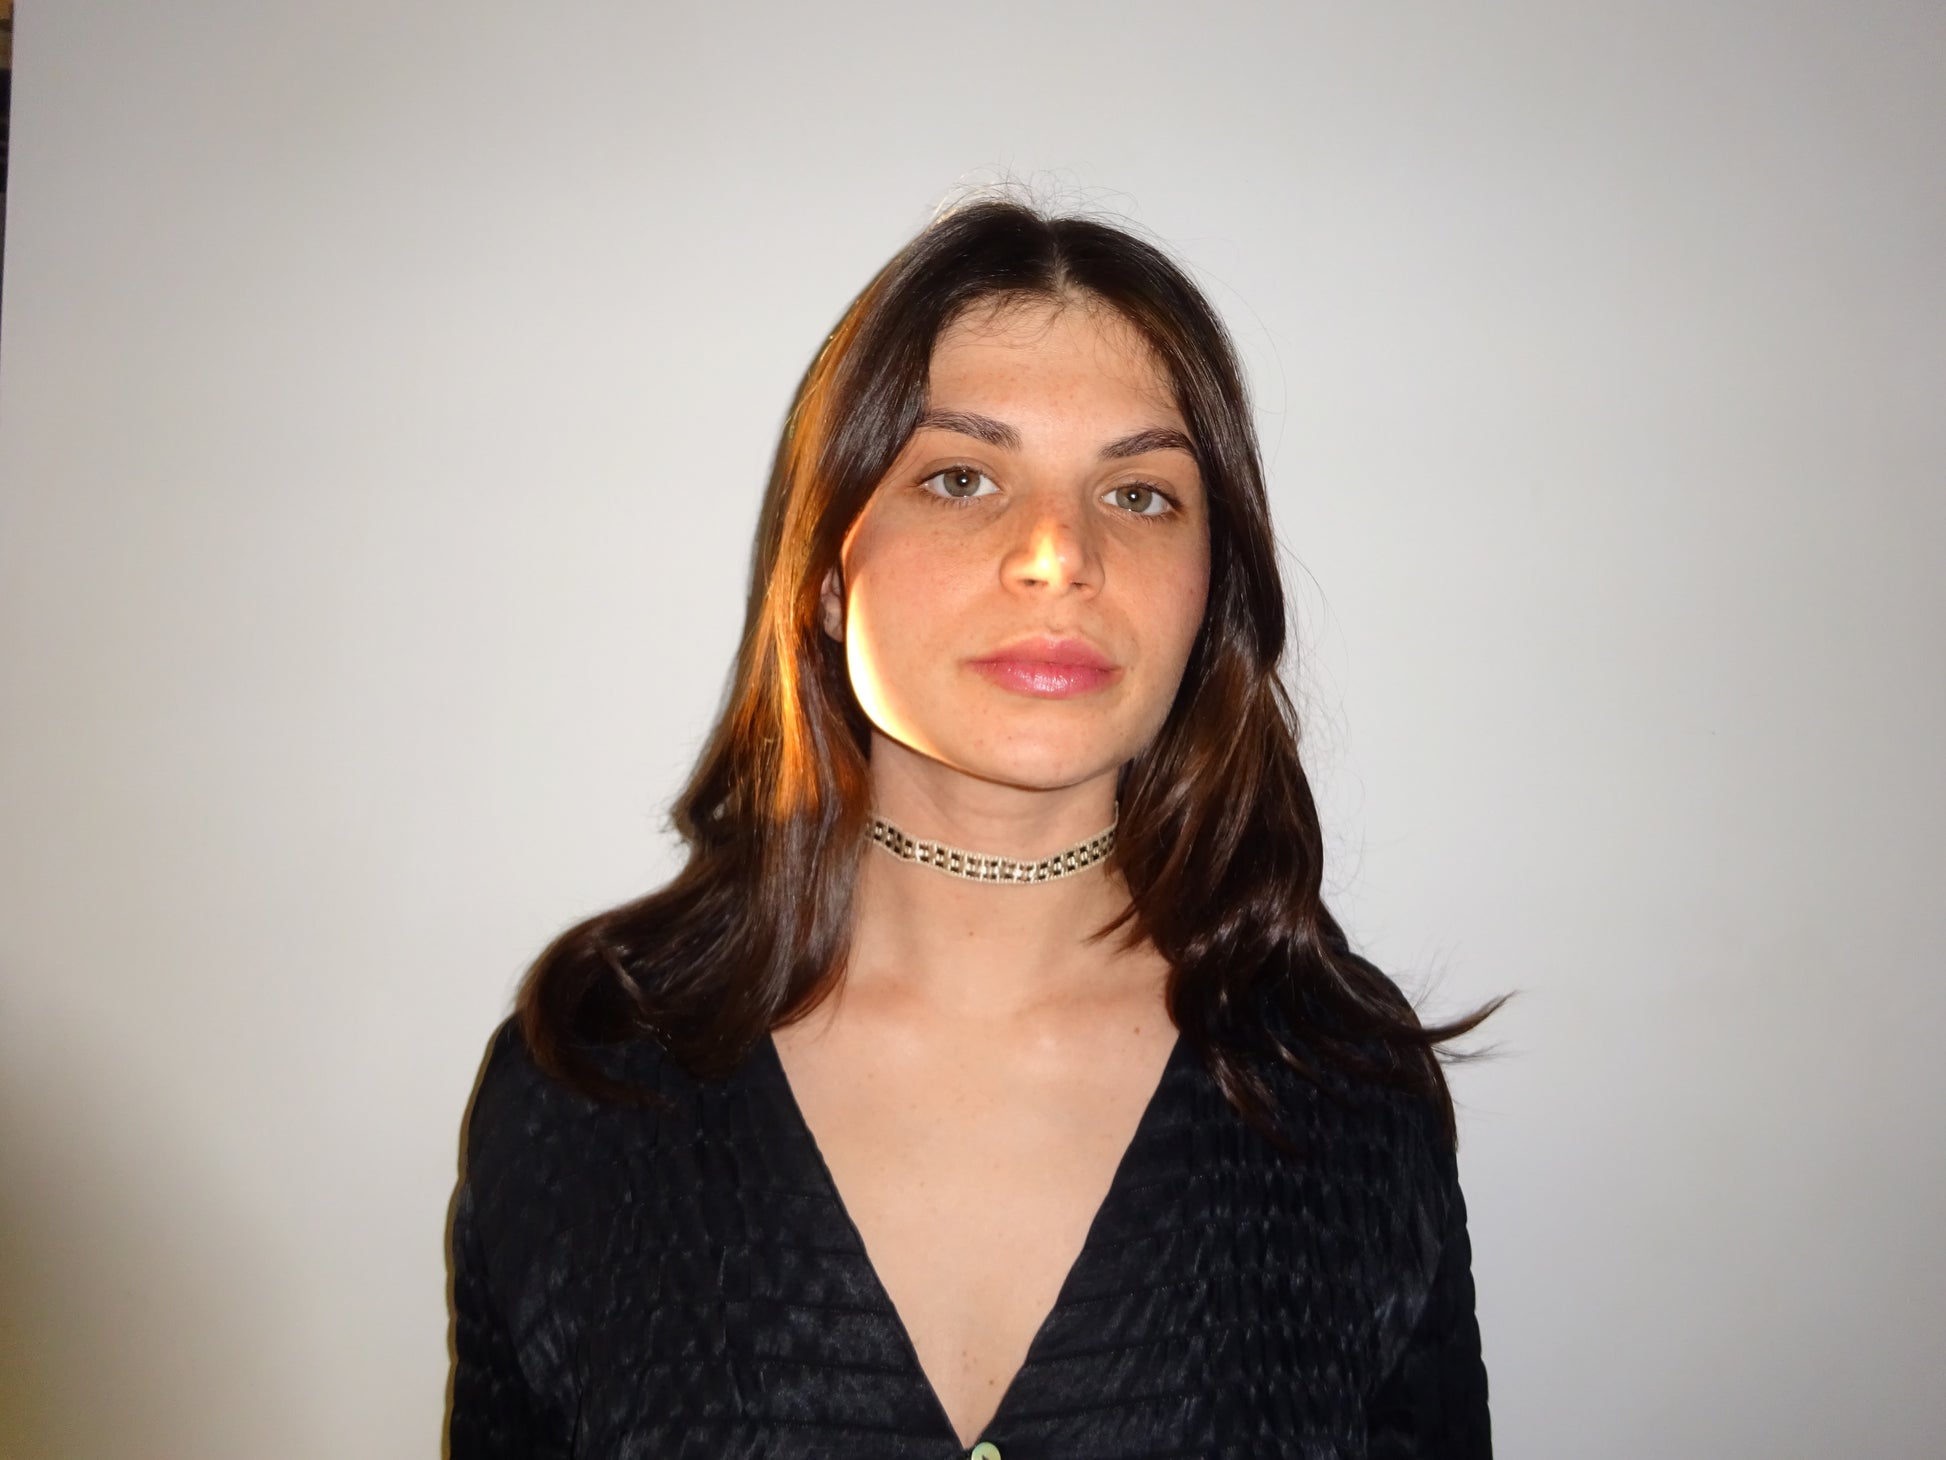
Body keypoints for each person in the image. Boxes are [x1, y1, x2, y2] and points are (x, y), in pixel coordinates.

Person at [447, 198, 1498, 1459]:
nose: (1058, 554)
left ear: (1208, 590)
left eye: (1139, 493)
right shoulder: (584, 1083)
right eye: (960, 478)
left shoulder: (1346, 1090)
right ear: (825, 576)